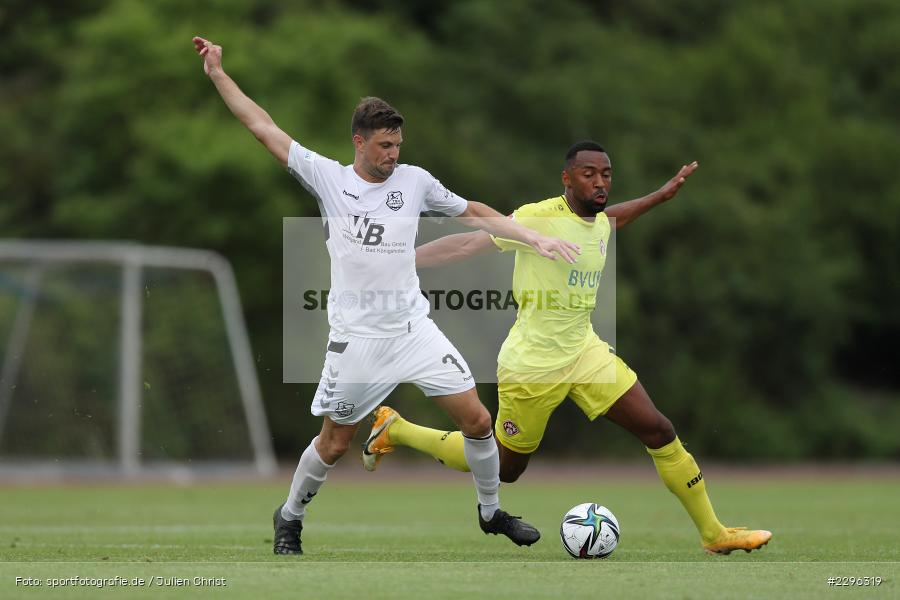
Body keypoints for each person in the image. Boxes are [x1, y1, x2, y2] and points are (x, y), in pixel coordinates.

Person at [192, 37, 585, 555]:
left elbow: (473, 210)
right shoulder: (328, 179)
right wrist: (219, 73)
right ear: (358, 142)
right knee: (334, 443)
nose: (393, 155)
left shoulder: (415, 182)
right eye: (383, 146)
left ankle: (491, 513)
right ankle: (289, 517)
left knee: (477, 419)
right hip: (357, 340)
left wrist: (533, 237)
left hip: (413, 329)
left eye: (397, 146)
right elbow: (262, 126)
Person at [362, 141, 773, 555]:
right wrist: (400, 261)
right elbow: (469, 245)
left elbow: (613, 219)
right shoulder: (537, 218)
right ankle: (397, 429)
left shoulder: (597, 221)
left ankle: (713, 533)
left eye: (606, 175)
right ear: (567, 178)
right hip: (532, 366)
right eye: (588, 174)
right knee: (505, 468)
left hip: (585, 353)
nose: (599, 182)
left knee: (659, 430)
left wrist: (661, 195)